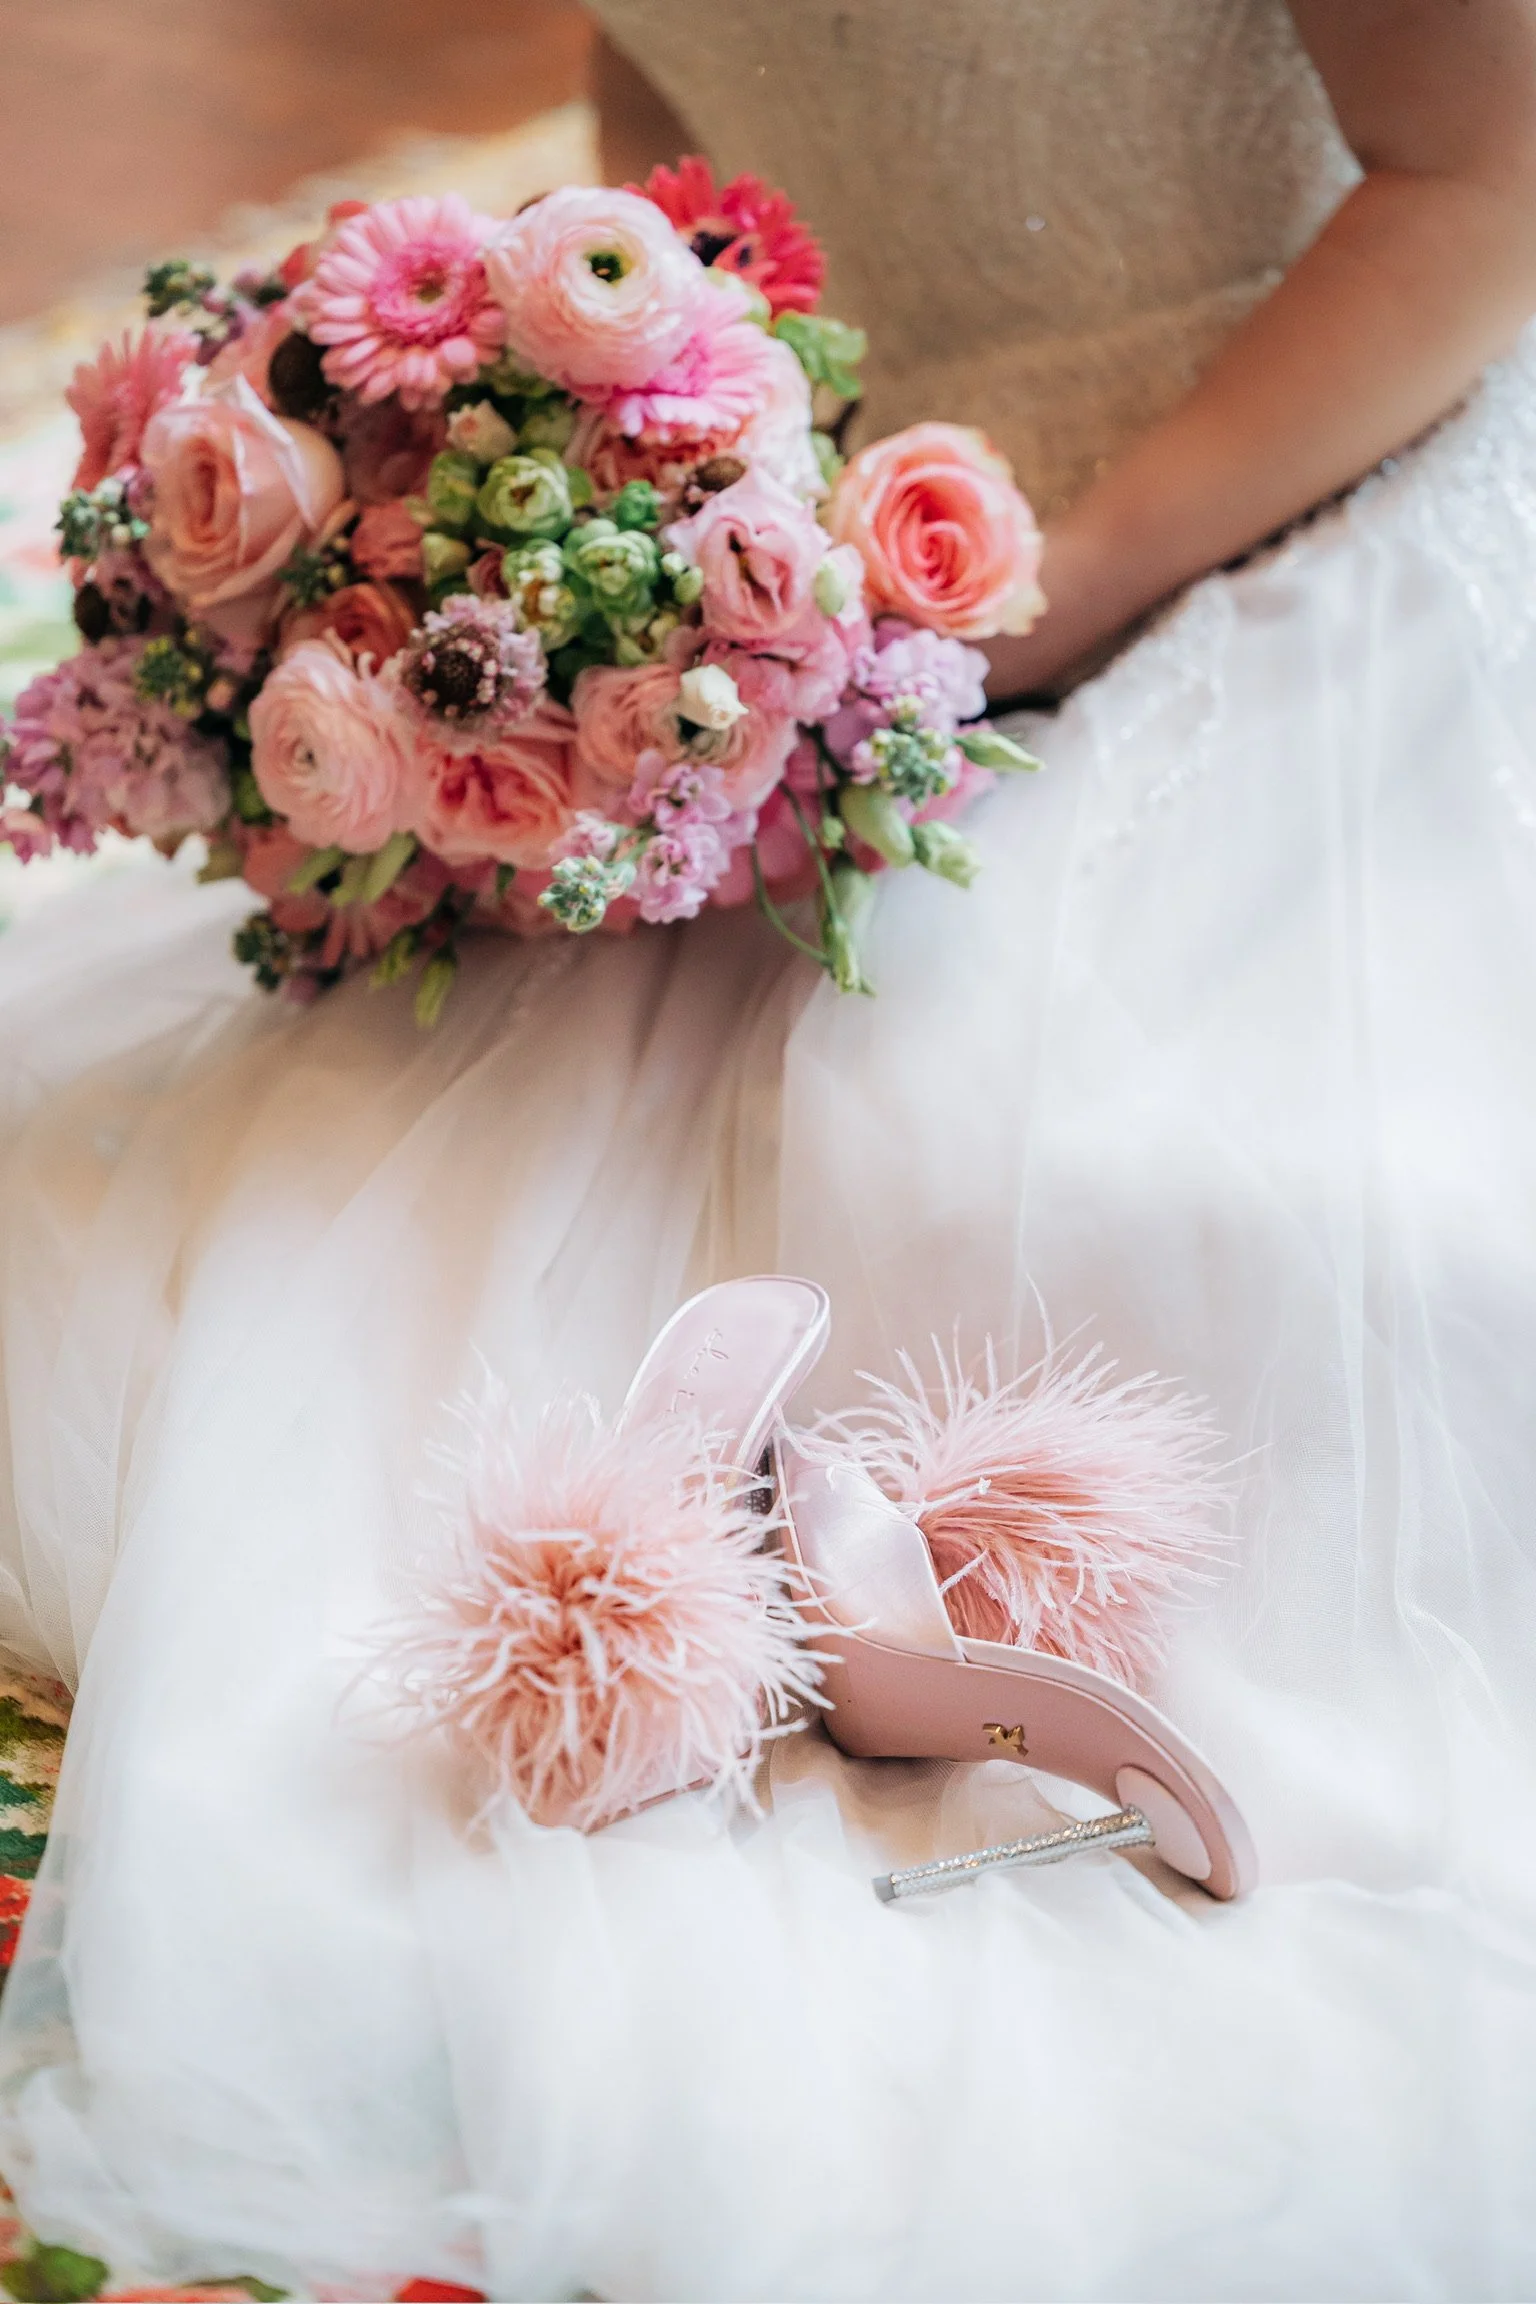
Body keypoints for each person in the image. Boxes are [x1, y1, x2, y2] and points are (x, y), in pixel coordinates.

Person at [1, 1, 1535, 2293]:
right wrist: (609, 506)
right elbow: (692, 148)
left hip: (1326, 483)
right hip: (840, 576)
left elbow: (1489, 185)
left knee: (1082, 1167)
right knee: (382, 1156)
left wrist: (1036, 604)